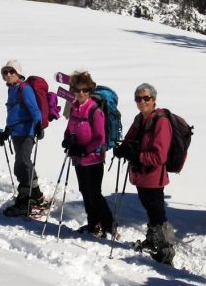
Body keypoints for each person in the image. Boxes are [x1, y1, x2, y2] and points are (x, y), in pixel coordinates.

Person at [115, 83, 174, 265]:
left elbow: (160, 156)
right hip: (140, 174)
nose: (142, 101)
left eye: (146, 98)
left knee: (157, 213)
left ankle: (166, 251)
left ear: (154, 100)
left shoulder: (161, 122)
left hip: (154, 176)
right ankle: (153, 240)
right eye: (138, 98)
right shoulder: (140, 119)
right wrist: (123, 148)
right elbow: (131, 139)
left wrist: (135, 155)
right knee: (151, 209)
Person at [61, 71, 114, 237]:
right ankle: (93, 223)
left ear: (90, 90)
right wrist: (67, 140)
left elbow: (100, 138)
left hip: (93, 159)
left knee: (94, 193)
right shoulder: (75, 108)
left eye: (84, 90)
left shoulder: (95, 110)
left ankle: (108, 226)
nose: (81, 93)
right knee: (85, 191)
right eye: (77, 90)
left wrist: (84, 150)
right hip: (78, 159)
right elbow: (69, 129)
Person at [0, 60, 46, 216]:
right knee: (21, 164)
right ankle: (36, 195)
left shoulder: (25, 89)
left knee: (23, 163)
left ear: (19, 73)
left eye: (12, 71)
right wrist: (6, 130)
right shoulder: (12, 90)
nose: (8, 74)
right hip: (16, 132)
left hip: (27, 131)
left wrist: (38, 126)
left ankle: (26, 198)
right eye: (5, 72)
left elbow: (34, 109)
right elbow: (13, 112)